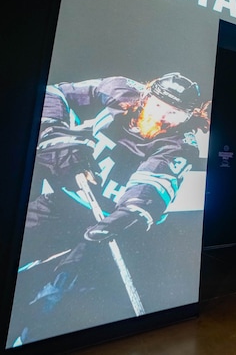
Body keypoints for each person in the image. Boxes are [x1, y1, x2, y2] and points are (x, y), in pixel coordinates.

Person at [9, 73, 211, 345]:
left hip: (108, 226)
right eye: (158, 105)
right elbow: (55, 93)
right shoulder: (120, 91)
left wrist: (124, 218)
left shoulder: (179, 146)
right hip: (61, 201)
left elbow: (150, 187)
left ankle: (29, 339)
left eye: (174, 112)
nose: (162, 116)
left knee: (58, 293)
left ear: (188, 116)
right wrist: (52, 130)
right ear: (146, 95)